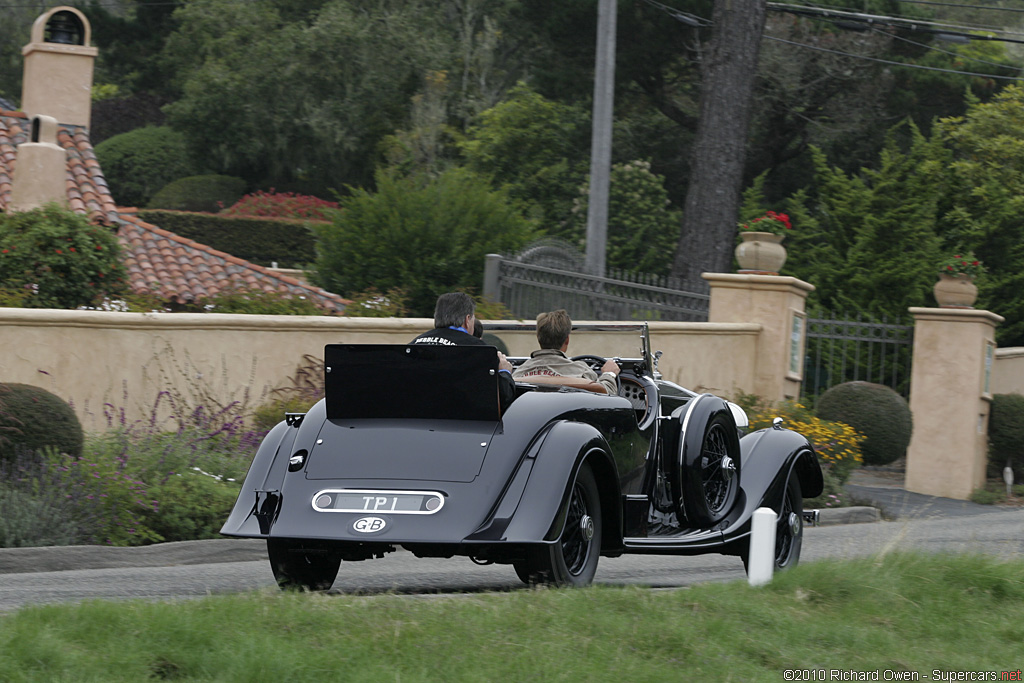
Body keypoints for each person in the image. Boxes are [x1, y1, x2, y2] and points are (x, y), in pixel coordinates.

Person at [411, 292, 515, 409]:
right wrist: (504, 373)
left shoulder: (414, 344)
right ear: (467, 320)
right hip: (461, 422)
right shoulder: (478, 350)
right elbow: (503, 398)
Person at [512, 309, 620, 395]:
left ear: (538, 338)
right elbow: (607, 395)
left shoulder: (517, 375)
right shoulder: (582, 372)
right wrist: (608, 374)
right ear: (567, 340)